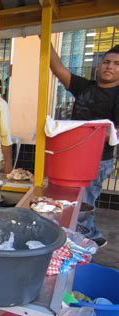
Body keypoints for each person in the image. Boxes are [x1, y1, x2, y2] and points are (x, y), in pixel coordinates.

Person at [49, 43, 119, 247]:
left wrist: (86, 133)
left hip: (97, 160)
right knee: (69, 201)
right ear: (98, 65)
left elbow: (114, 133)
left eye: (116, 64)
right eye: (106, 62)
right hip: (71, 157)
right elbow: (58, 69)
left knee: (84, 202)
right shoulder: (85, 88)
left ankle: (84, 237)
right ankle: (80, 232)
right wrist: (42, 37)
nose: (110, 67)